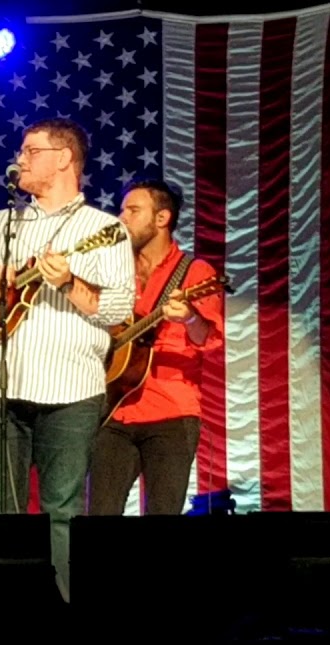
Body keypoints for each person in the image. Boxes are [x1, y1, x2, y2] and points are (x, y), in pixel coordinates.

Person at [0, 118, 135, 602]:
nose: (20, 159)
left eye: (31, 151)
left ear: (65, 158)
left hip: (71, 390)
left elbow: (116, 308)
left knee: (63, 509)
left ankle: (61, 610)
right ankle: (3, 606)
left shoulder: (104, 229)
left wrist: (70, 282)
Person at [87, 179, 224, 516]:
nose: (121, 218)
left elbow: (207, 338)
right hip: (113, 410)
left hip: (171, 413)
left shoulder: (195, 272)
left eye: (133, 210)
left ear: (162, 219)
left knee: (162, 523)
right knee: (100, 516)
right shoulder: (114, 270)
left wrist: (190, 318)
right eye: (122, 209)